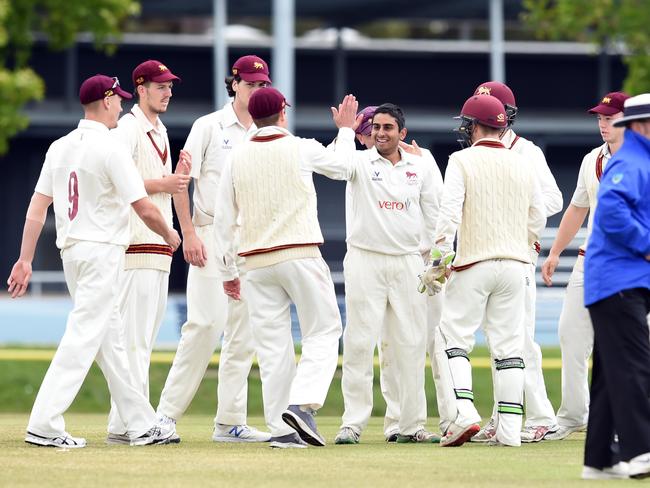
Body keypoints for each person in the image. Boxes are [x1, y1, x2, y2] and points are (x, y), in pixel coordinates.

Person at [7, 74, 181, 448]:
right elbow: (143, 206)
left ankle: (139, 424)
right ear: (105, 101)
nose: (120, 104)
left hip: (72, 252)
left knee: (110, 342)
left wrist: (24, 259)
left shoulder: (60, 146)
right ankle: (44, 423)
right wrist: (168, 234)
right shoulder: (111, 147)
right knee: (85, 336)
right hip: (102, 251)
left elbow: (38, 208)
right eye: (117, 98)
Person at [213, 88, 359, 448]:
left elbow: (223, 220)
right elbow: (344, 168)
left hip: (255, 262)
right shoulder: (300, 146)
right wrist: (345, 130)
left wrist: (228, 271)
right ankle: (302, 405)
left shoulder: (237, 157)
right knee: (324, 331)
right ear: (282, 114)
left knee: (272, 346)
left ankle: (283, 428)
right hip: (299, 253)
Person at [157, 55, 272, 443]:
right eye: (252, 84)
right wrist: (188, 233)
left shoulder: (266, 131)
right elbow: (181, 182)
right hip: (209, 235)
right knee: (204, 326)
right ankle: (166, 416)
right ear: (235, 84)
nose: (258, 90)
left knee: (244, 335)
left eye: (263, 85)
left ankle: (230, 422)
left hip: (253, 243)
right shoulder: (207, 126)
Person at [429, 94, 546, 447]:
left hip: (474, 262)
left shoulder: (461, 160)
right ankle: (510, 431)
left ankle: (464, 413)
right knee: (510, 347)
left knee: (453, 339)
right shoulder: (523, 162)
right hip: (515, 265)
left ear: (475, 126)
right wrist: (519, 243)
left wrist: (438, 263)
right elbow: (538, 216)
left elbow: (448, 215)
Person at [333, 103, 442, 445]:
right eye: (376, 127)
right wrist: (345, 131)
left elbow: (436, 215)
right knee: (359, 343)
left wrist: (436, 261)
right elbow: (336, 166)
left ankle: (409, 424)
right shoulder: (360, 162)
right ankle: (352, 423)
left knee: (410, 345)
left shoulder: (420, 166)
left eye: (388, 127)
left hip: (408, 262)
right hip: (366, 259)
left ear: (402, 133)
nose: (380, 133)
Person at [472, 81, 562, 443]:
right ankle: (501, 415)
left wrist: (523, 221)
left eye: (487, 104)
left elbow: (553, 199)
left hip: (518, 255)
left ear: (506, 113)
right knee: (496, 340)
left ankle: (543, 416)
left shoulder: (527, 151)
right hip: (485, 254)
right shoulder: (477, 152)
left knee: (520, 338)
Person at [106, 60, 190, 444]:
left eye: (170, 86)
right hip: (135, 245)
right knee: (133, 340)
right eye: (160, 87)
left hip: (157, 248)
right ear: (140, 88)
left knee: (143, 340)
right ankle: (132, 422)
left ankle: (125, 421)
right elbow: (115, 179)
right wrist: (165, 182)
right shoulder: (126, 128)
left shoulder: (161, 129)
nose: (168, 92)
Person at [541, 92, 629, 442]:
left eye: (610, 118)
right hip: (589, 262)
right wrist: (554, 253)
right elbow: (578, 209)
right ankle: (574, 415)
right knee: (571, 334)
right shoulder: (592, 159)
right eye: (600, 118)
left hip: (632, 265)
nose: (603, 124)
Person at [581, 94, 650, 480]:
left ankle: (600, 459)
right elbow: (612, 211)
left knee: (610, 374)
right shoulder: (632, 160)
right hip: (618, 282)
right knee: (635, 367)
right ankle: (641, 450)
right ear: (641, 125)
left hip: (619, 282)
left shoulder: (637, 159)